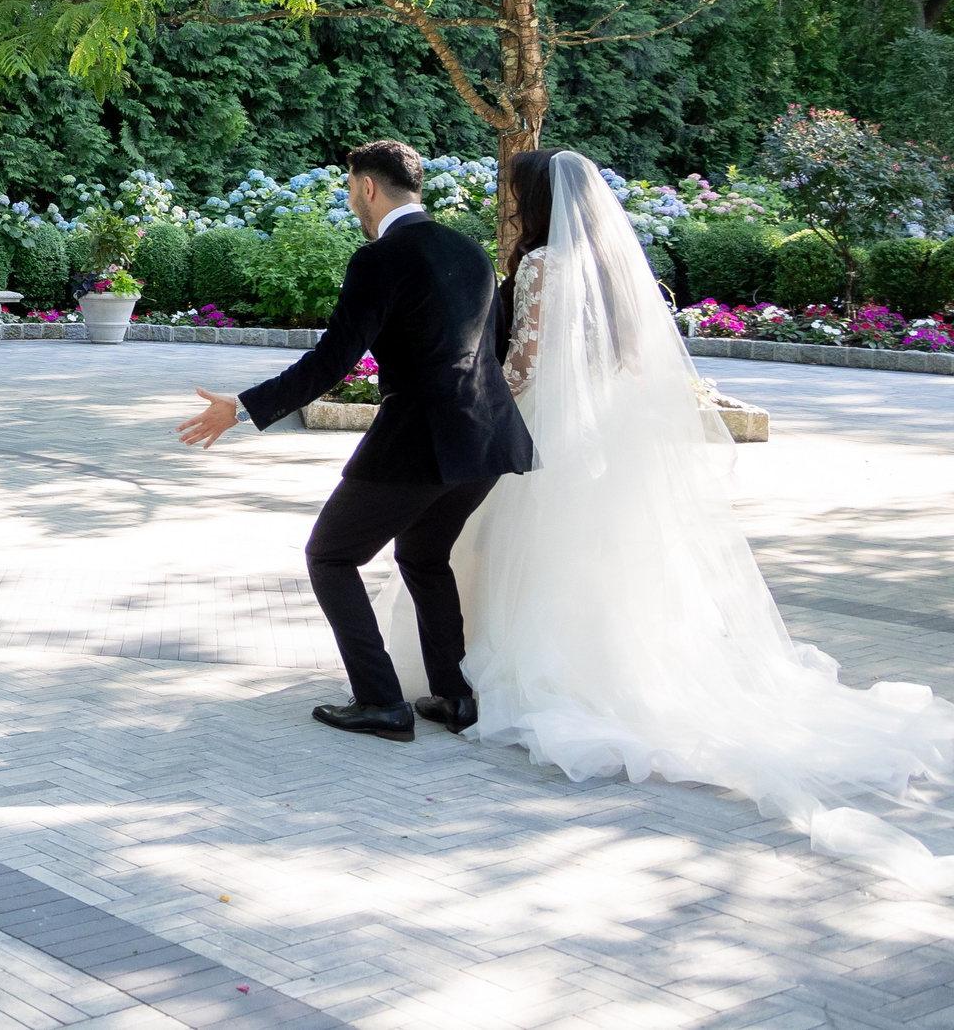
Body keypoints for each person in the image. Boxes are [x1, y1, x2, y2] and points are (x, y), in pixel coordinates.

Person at [390, 148, 954, 889]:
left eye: (518, 195)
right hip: (599, 433)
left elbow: (523, 366)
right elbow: (629, 366)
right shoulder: (614, 273)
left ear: (538, 201)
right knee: (595, 557)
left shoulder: (541, 267)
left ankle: (506, 671)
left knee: (501, 544)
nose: (512, 206)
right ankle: (607, 662)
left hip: (536, 430)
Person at [176, 139, 532, 741]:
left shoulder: (380, 259)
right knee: (423, 555)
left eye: (349, 190)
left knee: (330, 556)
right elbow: (493, 350)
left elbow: (332, 361)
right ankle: (455, 696)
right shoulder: (470, 251)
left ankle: (381, 703)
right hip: (490, 440)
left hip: (420, 439)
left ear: (368, 187)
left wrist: (242, 408)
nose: (350, 202)